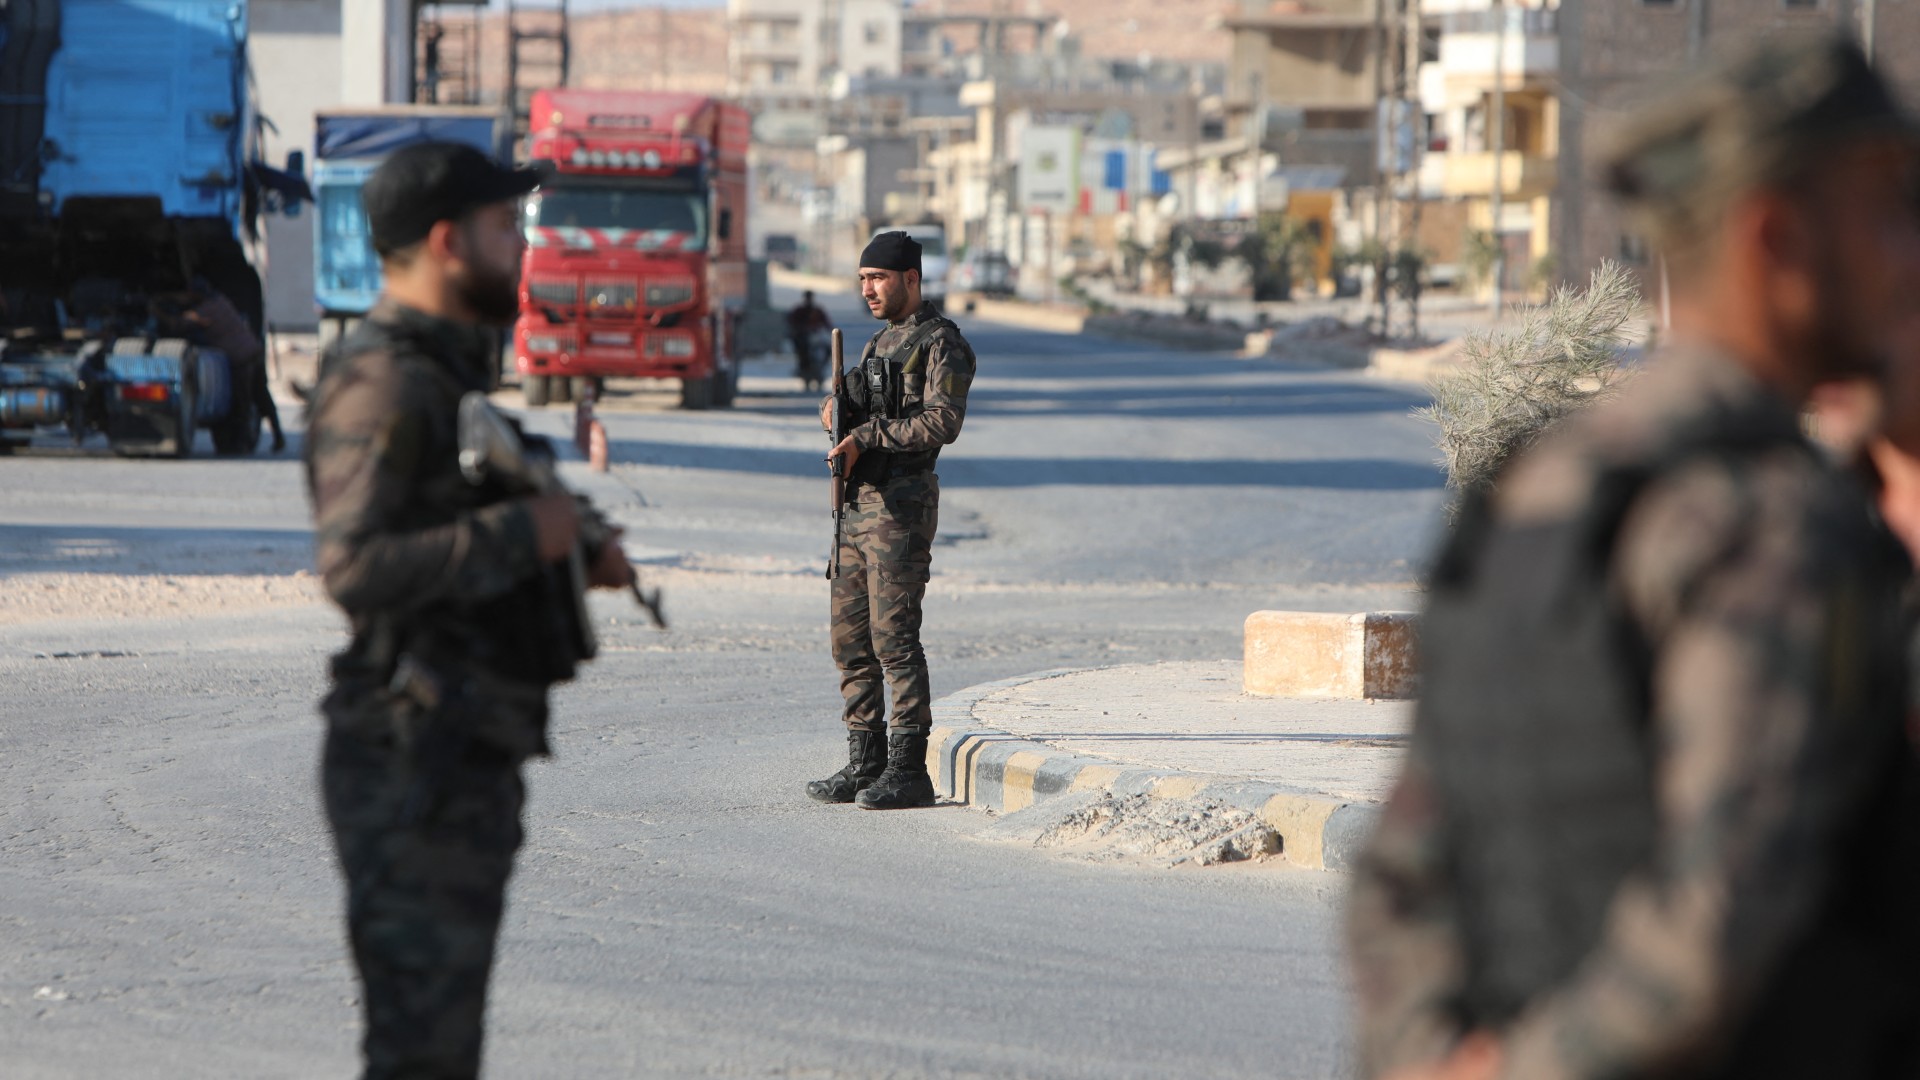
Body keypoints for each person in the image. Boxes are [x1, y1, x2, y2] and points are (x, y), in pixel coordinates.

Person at [1346, 35, 1920, 1080]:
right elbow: (1723, 916)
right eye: (1886, 211)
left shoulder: (1536, 486)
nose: (1907, 253)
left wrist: (1436, 1058)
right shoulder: (1775, 525)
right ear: (1777, 239)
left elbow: (1400, 870)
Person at [302, 141, 635, 1080]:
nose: (521, 251)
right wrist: (529, 534)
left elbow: (450, 527)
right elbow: (355, 565)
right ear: (449, 241)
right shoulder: (385, 379)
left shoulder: (443, 376)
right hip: (412, 760)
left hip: (456, 753)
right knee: (421, 1056)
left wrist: (570, 551)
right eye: (504, 229)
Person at [808, 230, 976, 810]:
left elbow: (942, 422)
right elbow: (860, 411)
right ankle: (866, 760)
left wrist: (866, 437)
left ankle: (909, 769)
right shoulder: (877, 343)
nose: (868, 290)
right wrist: (835, 414)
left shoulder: (941, 344)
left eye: (877, 278)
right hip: (856, 508)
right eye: (862, 280)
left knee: (894, 641)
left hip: (900, 511)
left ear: (911, 279)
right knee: (850, 641)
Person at [786, 289, 832, 391]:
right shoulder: (799, 311)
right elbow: (792, 323)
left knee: (828, 350)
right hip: (804, 338)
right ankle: (803, 371)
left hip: (816, 337)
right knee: (802, 353)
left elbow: (827, 323)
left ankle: (820, 372)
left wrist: (830, 331)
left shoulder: (817, 310)